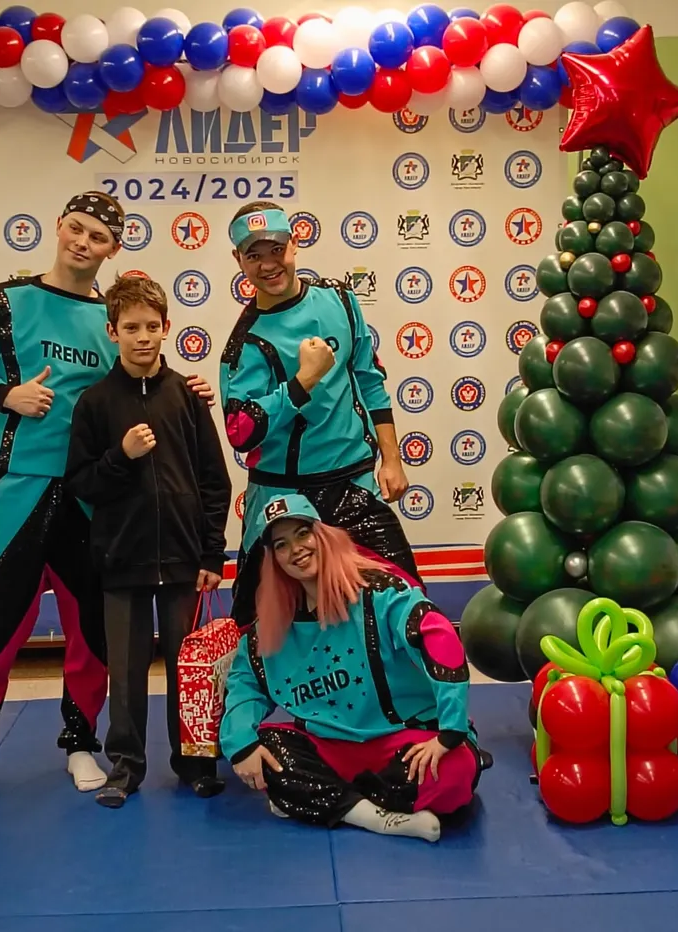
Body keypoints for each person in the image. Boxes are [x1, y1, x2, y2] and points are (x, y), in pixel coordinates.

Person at [0, 191, 215, 808]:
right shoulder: (4, 302)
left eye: (99, 237)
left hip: (95, 494)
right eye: (77, 229)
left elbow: (138, 381)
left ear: (114, 249)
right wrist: (4, 395)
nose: (83, 243)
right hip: (19, 485)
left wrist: (185, 388)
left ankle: (80, 742)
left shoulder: (109, 316)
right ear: (59, 227)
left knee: (93, 633)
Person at [218, 493, 482, 843]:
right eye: (281, 545)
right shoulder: (272, 623)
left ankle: (318, 799)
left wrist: (450, 731)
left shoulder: (381, 592)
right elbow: (244, 683)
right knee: (266, 749)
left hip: (404, 738)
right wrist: (242, 744)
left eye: (302, 533)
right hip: (330, 747)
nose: (295, 549)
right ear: (274, 560)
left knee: (455, 768)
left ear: (324, 534)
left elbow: (438, 637)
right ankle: (375, 816)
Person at [65, 274, 232, 806]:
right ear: (112, 331)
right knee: (126, 672)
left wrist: (211, 553)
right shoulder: (94, 403)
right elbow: (82, 483)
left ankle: (195, 762)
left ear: (166, 328)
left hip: (184, 559)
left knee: (189, 670)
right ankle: (126, 766)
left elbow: (215, 481)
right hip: (121, 560)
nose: (142, 337)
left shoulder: (187, 396)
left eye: (151, 326)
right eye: (131, 327)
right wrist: (121, 456)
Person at [218, 201, 420, 630]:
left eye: (276, 249)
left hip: (354, 482)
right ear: (238, 260)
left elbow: (369, 378)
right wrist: (302, 382)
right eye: (254, 255)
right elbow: (240, 432)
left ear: (295, 244)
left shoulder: (340, 300)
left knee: (406, 611)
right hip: (283, 497)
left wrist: (392, 458)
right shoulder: (246, 341)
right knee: (263, 627)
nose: (268, 265)